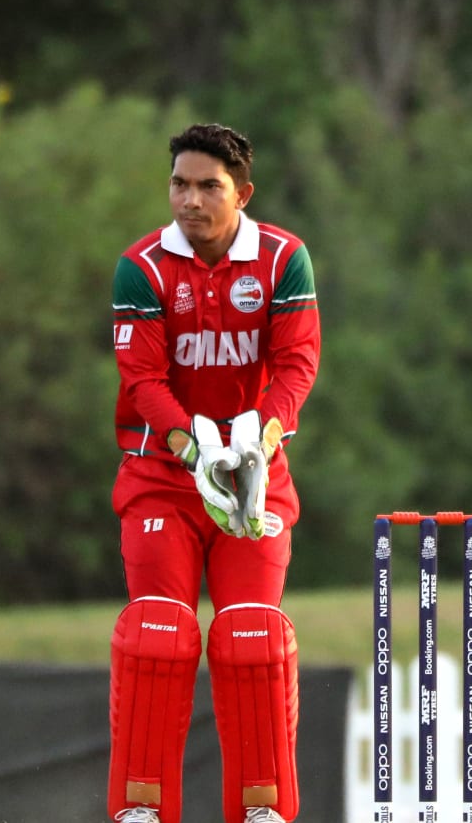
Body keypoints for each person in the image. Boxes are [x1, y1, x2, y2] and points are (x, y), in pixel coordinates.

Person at [107, 123, 321, 823]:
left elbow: (296, 365)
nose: (189, 201)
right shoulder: (141, 267)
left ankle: (262, 810)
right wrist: (191, 449)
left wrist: (258, 439)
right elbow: (141, 378)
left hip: (252, 479)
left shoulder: (284, 258)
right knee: (160, 633)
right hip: (162, 477)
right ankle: (142, 808)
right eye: (179, 184)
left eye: (208, 187)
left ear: (243, 193)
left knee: (252, 636)